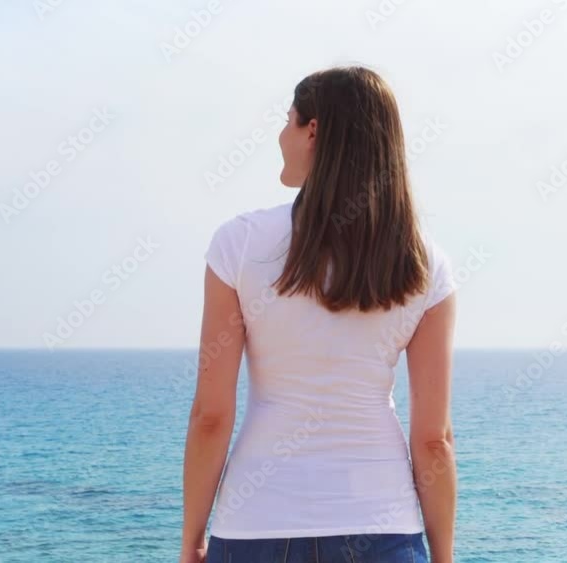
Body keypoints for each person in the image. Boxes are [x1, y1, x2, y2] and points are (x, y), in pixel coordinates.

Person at [180, 66, 457, 563]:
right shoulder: (422, 263)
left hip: (253, 528)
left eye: (287, 120)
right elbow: (434, 441)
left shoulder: (238, 244)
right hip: (382, 528)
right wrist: (443, 556)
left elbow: (211, 417)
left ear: (313, 131)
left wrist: (192, 540)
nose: (280, 136)